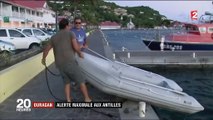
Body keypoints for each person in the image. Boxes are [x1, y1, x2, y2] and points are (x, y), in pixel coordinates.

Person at [41, 18, 91, 102]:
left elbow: (46, 49)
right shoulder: (70, 33)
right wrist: (79, 53)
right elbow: (75, 47)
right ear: (67, 26)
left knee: (66, 82)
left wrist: (43, 59)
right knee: (81, 80)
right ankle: (87, 98)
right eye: (69, 25)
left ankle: (68, 99)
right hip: (70, 62)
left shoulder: (53, 37)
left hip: (59, 64)